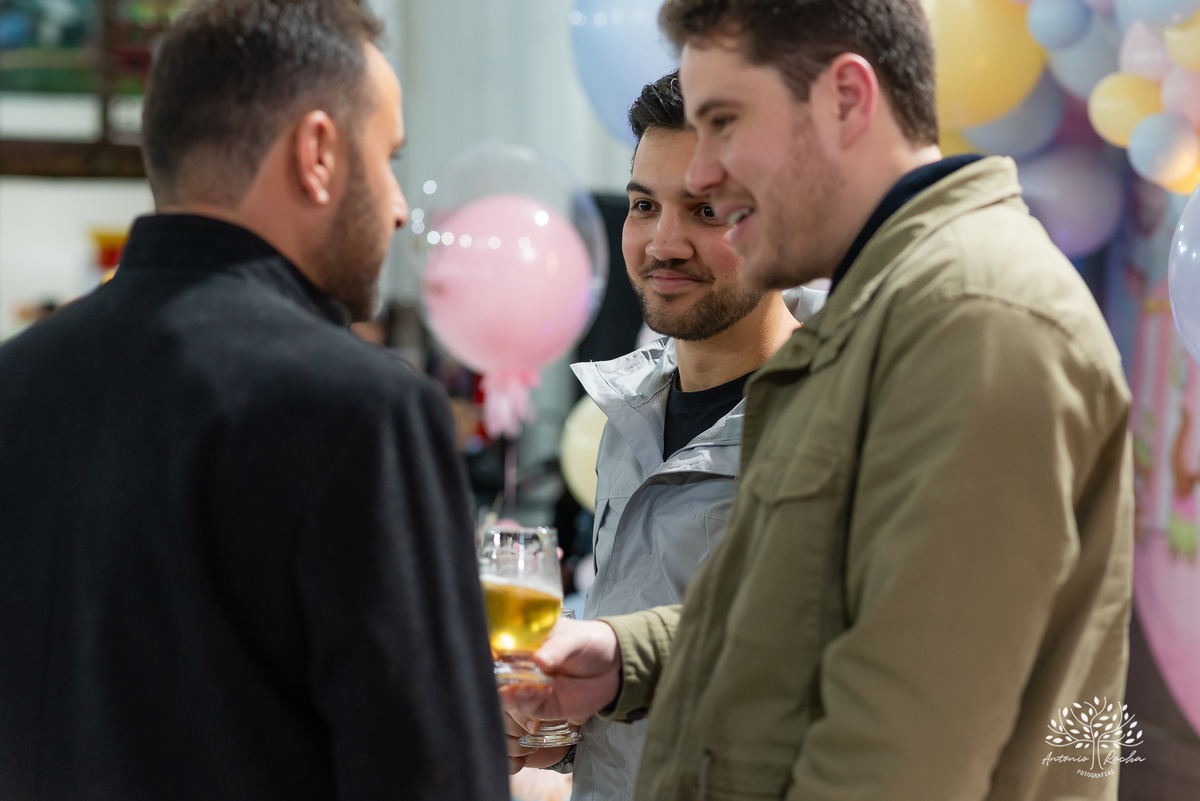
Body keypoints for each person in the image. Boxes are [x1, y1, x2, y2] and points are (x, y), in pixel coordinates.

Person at [504, 2, 1135, 800]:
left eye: (725, 123)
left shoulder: (973, 317)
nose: (702, 175)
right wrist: (624, 658)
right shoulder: (881, 312)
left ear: (845, 99)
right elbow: (807, 618)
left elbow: (901, 755)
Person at [0, 2, 508, 799]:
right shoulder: (361, 408)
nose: (403, 205)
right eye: (390, 158)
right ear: (318, 153)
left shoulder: (16, 379)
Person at [504, 72, 825, 793]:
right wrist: (554, 727)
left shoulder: (832, 423)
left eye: (706, 209)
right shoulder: (631, 406)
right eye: (644, 204)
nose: (663, 242)